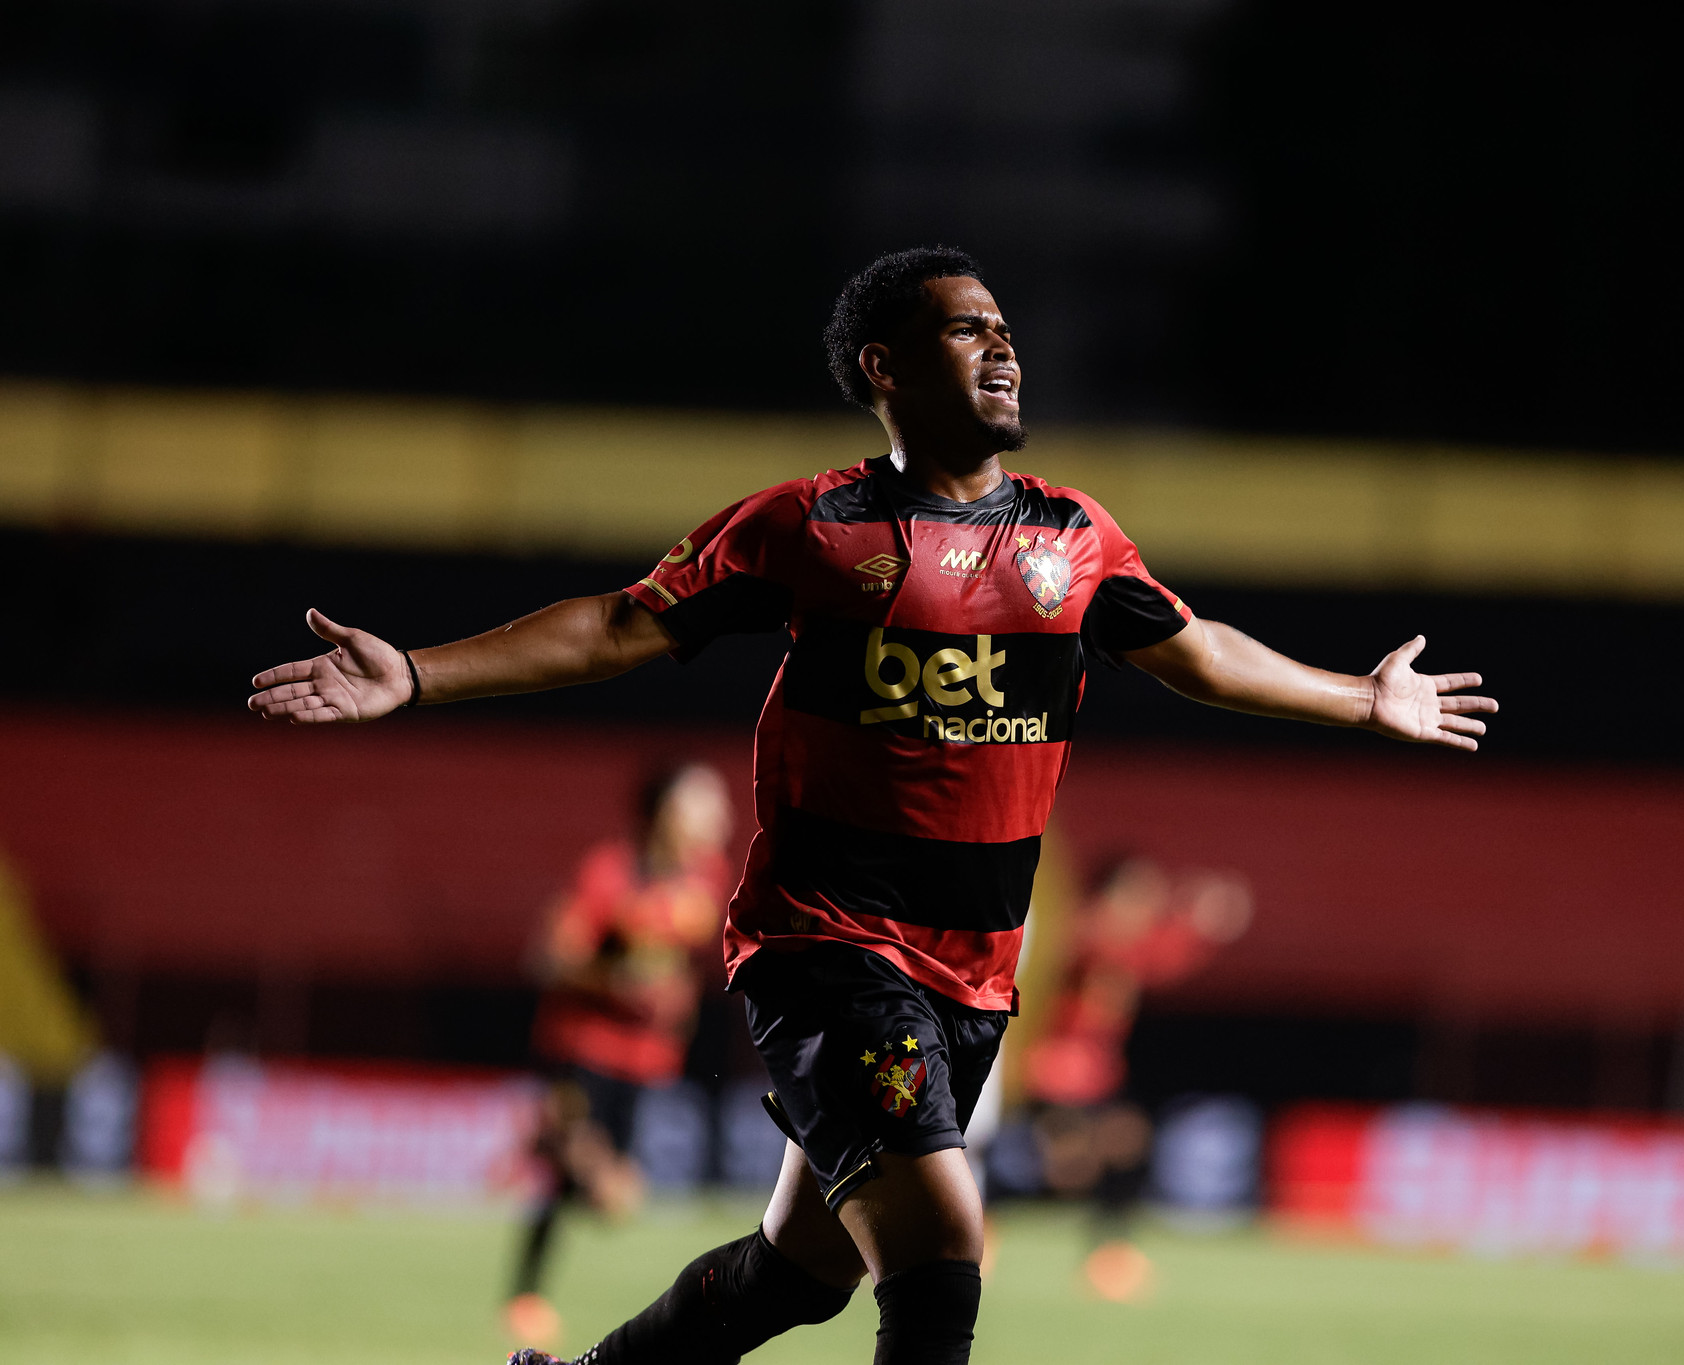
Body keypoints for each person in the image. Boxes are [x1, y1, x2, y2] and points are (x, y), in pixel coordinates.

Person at [246, 245, 1497, 1365]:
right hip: (828, 948)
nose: (1001, 346)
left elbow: (1199, 652)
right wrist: (417, 673)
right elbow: (623, 625)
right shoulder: (815, 526)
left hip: (973, 979)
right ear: (882, 368)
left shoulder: (1073, 539)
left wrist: (1359, 698)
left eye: (1004, 327)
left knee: (801, 1274)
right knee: (942, 1246)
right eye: (966, 328)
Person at [505, 763, 733, 1347]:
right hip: (582, 1048)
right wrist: (616, 981)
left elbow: (679, 961)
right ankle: (525, 1298)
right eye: (702, 805)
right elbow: (549, 958)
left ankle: (552, 1139)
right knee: (593, 1189)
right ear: (664, 814)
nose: (720, 818)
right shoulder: (611, 873)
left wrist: (675, 996)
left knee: (610, 1201)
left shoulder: (707, 878)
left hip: (646, 1061)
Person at [1023, 857, 1251, 1301]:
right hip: (1053, 1071)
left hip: (1097, 1075)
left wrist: (1200, 926)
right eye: (1140, 895)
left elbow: (1164, 957)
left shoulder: (1130, 944)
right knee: (1067, 1168)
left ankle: (1110, 1254)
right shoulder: (1079, 934)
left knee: (1127, 1143)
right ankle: (976, 1230)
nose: (1148, 907)